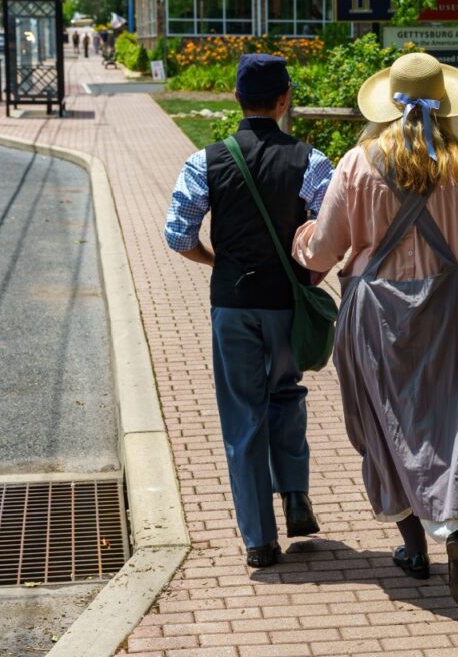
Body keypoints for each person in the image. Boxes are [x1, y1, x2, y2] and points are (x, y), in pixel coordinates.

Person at [292, 53, 458, 606]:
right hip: (455, 311)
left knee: (383, 424)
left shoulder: (356, 164)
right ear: (447, 108)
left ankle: (413, 546)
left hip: (375, 316)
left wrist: (302, 237)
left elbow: (321, 252)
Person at [164, 54, 333, 568]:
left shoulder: (204, 161)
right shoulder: (312, 161)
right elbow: (328, 237)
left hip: (233, 305)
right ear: (285, 101)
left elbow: (178, 235)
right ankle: (296, 494)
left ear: (236, 99)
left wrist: (216, 261)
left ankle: (259, 540)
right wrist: (310, 276)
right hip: (287, 304)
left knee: (243, 416)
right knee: (287, 393)